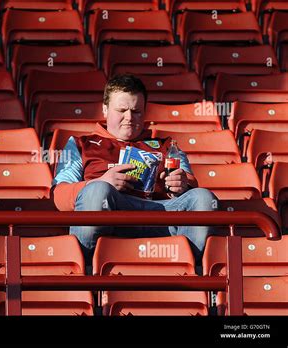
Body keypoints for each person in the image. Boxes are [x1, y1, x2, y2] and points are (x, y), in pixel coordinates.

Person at [52, 74, 218, 263]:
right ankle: (87, 274)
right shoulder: (81, 144)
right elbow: (59, 196)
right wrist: (100, 183)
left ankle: (194, 275)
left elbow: (190, 187)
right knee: (98, 191)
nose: (129, 118)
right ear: (105, 109)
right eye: (121, 110)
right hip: (109, 216)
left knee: (202, 197)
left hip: (160, 215)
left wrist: (182, 185)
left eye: (137, 111)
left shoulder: (167, 145)